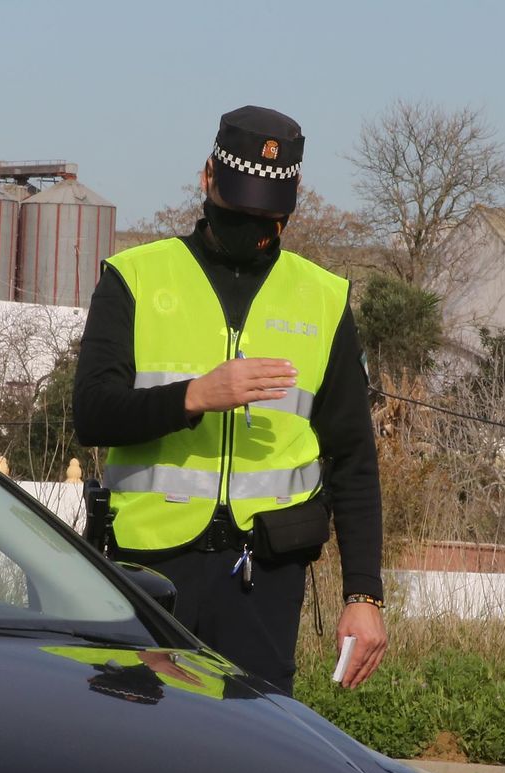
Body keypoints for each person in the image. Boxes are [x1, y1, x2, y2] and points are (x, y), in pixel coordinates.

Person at [73, 105, 386, 696]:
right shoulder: (134, 277)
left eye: (266, 214)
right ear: (207, 177)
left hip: (265, 579)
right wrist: (195, 396)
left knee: (253, 767)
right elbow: (92, 413)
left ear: (293, 196)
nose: (250, 225)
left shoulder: (323, 298)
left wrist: (364, 594)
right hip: (146, 571)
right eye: (237, 206)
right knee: (133, 759)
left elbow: (353, 458)